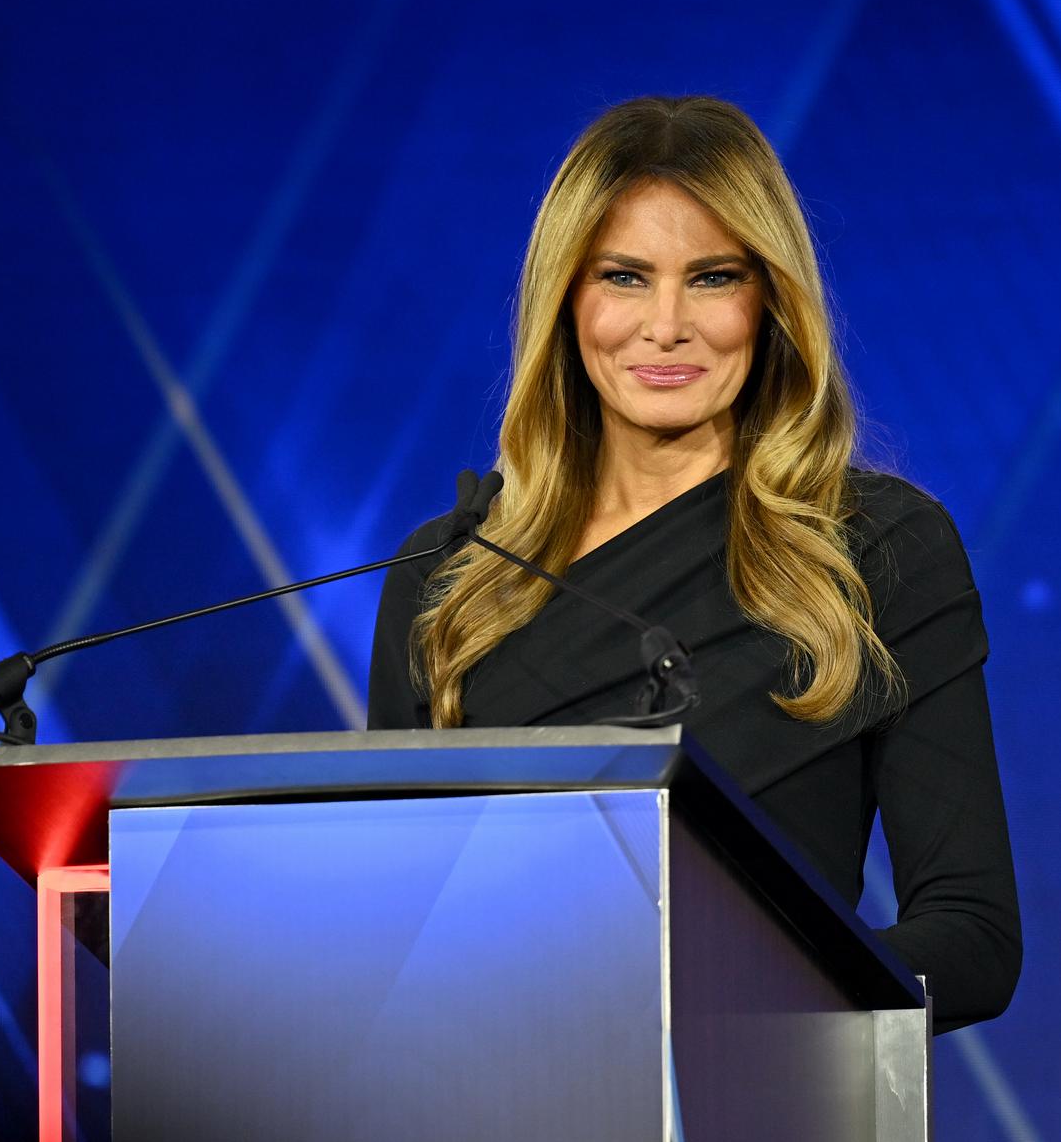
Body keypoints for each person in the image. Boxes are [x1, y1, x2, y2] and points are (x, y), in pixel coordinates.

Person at [367, 95, 1019, 1032]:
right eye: (624, 277)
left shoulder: (877, 551)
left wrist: (759, 1007)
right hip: (490, 1097)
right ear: (566, 301)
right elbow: (393, 933)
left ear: (771, 301)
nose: (666, 325)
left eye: (713, 278)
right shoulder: (451, 578)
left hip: (754, 1099)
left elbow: (972, 936)